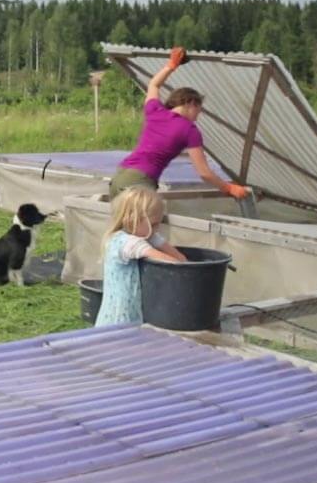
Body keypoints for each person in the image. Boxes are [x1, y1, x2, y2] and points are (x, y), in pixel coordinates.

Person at [109, 46, 249, 201]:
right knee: (149, 223)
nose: (197, 116)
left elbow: (153, 85)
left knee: (124, 223)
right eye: (198, 110)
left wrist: (171, 65)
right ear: (190, 103)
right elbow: (204, 172)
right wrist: (229, 187)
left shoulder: (155, 110)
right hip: (139, 181)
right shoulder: (189, 130)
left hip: (120, 176)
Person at [95, 186, 187, 327]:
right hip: (118, 317)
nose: (157, 229)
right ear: (133, 219)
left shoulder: (139, 234)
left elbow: (180, 258)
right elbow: (172, 262)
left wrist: (157, 238)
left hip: (131, 312)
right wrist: (189, 271)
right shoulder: (126, 242)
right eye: (154, 224)